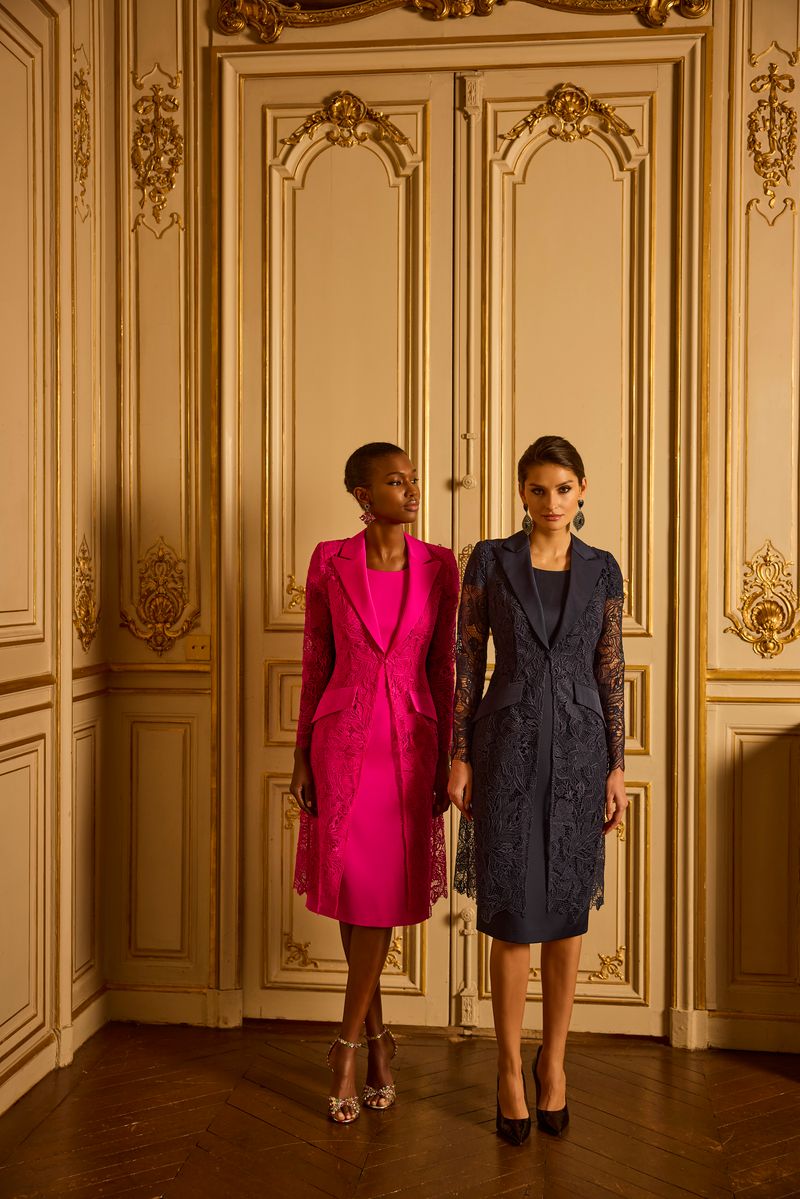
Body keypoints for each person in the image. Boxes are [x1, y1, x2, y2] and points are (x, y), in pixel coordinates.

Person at [448, 435, 626, 1144]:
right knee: (513, 912)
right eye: (538, 489)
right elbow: (467, 659)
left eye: (563, 488)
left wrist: (617, 766)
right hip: (507, 748)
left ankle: (553, 1063)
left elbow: (611, 670)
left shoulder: (603, 568)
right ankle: (507, 1070)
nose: (552, 502)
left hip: (581, 752)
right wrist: (459, 754)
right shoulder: (490, 560)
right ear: (522, 492)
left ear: (582, 491)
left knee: (566, 914)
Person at [290, 442, 459, 1124]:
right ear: (364, 496)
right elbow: (315, 659)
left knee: (379, 897)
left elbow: (444, 668)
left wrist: (449, 758)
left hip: (411, 746)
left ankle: (349, 1045)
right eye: (396, 481)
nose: (412, 490)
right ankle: (375, 1039)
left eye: (413, 479)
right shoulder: (329, 560)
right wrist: (301, 755)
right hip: (342, 743)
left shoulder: (441, 565)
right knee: (358, 894)